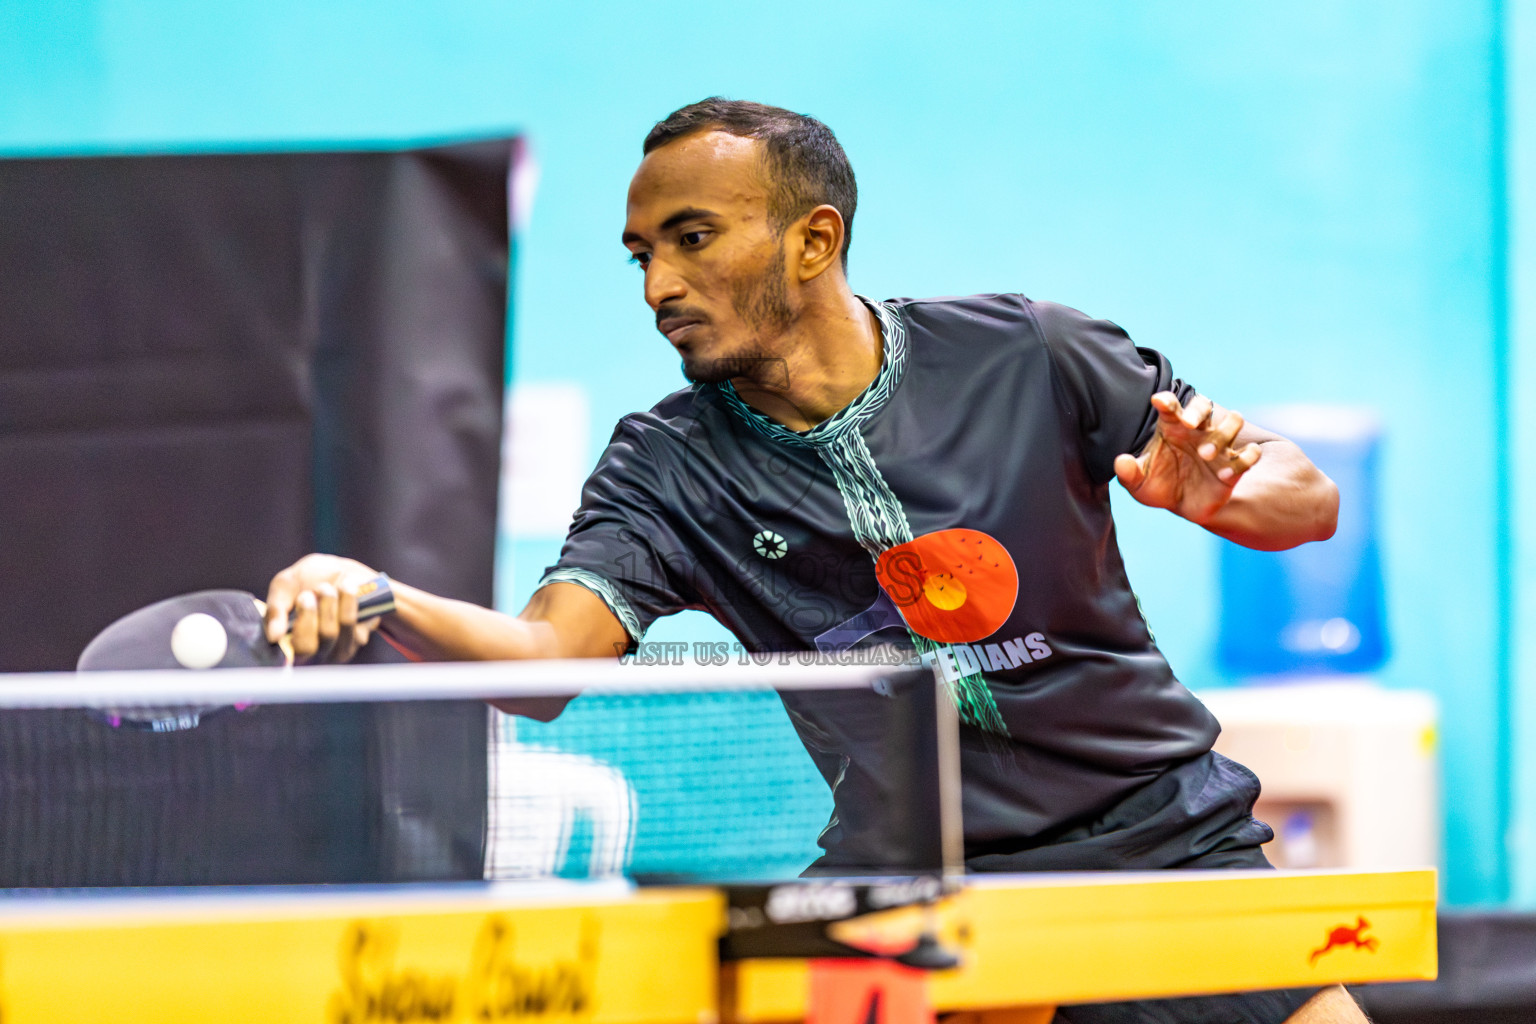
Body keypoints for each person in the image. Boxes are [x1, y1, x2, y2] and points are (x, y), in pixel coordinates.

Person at [266, 99, 1357, 1024]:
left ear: (813, 239)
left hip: (1160, 840)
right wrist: (380, 595)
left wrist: (1241, 499)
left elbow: (1303, 506)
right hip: (906, 882)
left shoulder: (1027, 350)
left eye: (693, 238)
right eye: (644, 255)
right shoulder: (667, 465)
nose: (659, 287)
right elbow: (549, 664)